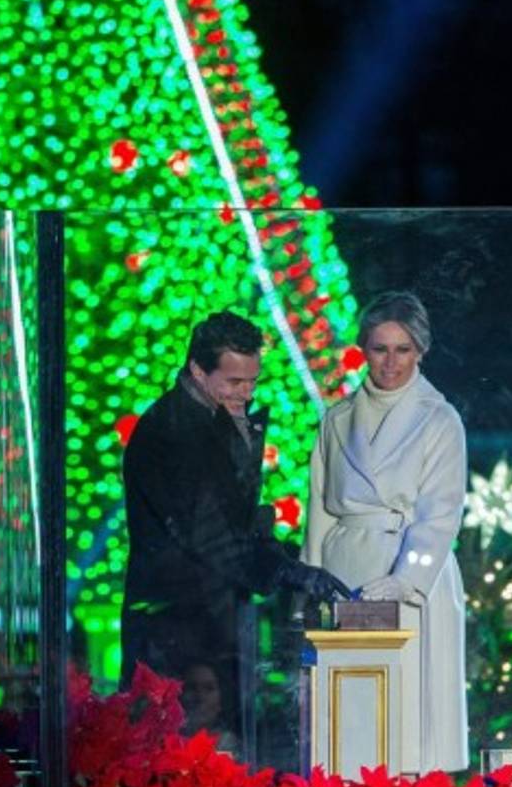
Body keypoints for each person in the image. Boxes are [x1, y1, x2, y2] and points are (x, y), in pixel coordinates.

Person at [121, 310, 347, 753]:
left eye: (252, 382)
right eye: (233, 382)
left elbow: (233, 520)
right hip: (178, 619)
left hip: (207, 611)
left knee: (217, 747)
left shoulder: (211, 417)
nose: (245, 393)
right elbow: (208, 532)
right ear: (197, 371)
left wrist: (282, 563)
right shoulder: (172, 430)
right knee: (178, 750)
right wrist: (285, 572)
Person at [302, 291, 469, 773]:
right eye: (380, 348)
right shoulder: (336, 419)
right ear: (363, 349)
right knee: (348, 718)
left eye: (402, 349)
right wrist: (310, 581)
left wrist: (407, 579)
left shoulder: (440, 420)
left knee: (407, 714)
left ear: (420, 350)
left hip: (412, 578)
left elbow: (441, 514)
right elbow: (320, 508)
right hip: (344, 572)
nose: (390, 361)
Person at [180, 661, 241, 758]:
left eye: (209, 688)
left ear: (221, 700)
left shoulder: (228, 744)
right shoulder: (164, 742)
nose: (200, 696)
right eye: (192, 688)